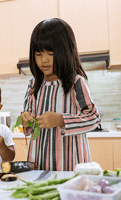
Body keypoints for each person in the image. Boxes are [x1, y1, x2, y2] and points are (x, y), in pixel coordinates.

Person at [20, 18, 101, 171]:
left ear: (66, 51)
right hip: (39, 162)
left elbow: (93, 118)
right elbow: (28, 123)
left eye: (50, 53)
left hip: (70, 163)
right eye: (38, 54)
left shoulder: (76, 83)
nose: (44, 60)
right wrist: (26, 120)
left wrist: (60, 119)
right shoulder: (33, 84)